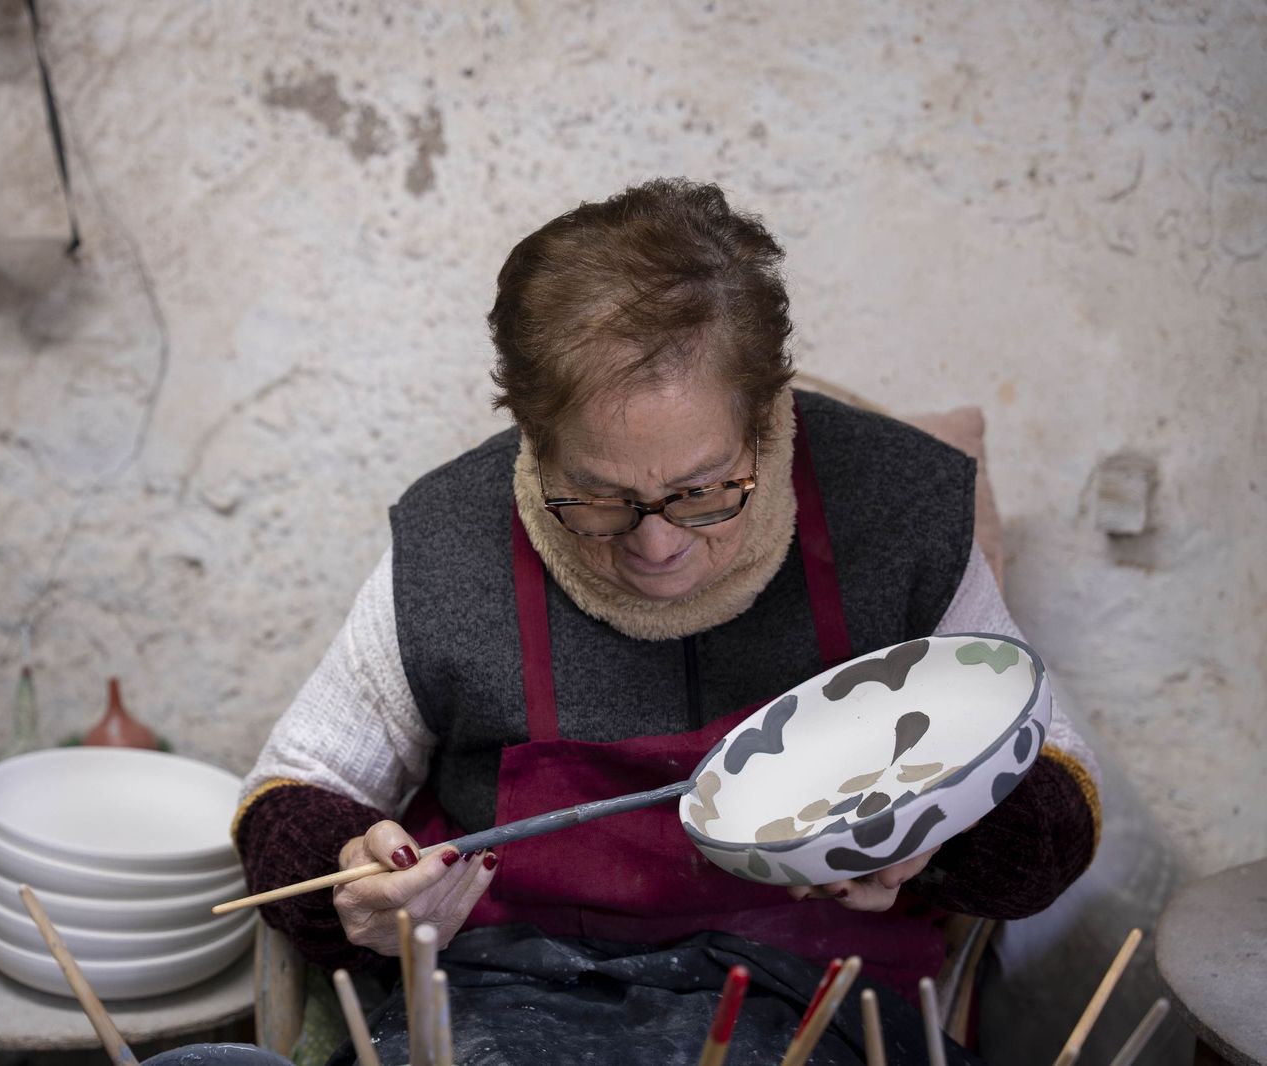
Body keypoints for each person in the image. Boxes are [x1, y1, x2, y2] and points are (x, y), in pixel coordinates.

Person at [232, 178, 1100, 1063]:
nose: (655, 548)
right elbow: (292, 798)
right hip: (514, 1000)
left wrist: (931, 838)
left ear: (769, 416)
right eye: (600, 498)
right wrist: (351, 889)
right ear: (532, 438)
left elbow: (1055, 804)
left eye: (700, 491)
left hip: (819, 1000)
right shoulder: (453, 536)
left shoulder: (894, 506)